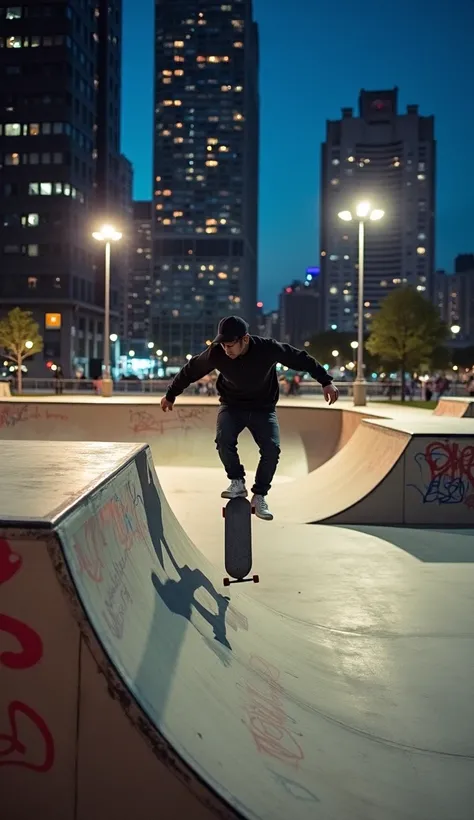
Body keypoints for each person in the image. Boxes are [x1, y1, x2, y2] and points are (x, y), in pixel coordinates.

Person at [160, 316, 339, 521]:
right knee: (223, 439)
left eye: (230, 345)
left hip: (263, 409)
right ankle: (237, 481)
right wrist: (171, 394)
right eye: (223, 345)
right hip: (232, 406)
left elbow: (300, 358)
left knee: (271, 449)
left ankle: (260, 495)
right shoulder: (217, 353)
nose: (227, 350)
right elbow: (191, 370)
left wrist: (325, 381)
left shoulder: (268, 348)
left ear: (244, 339)